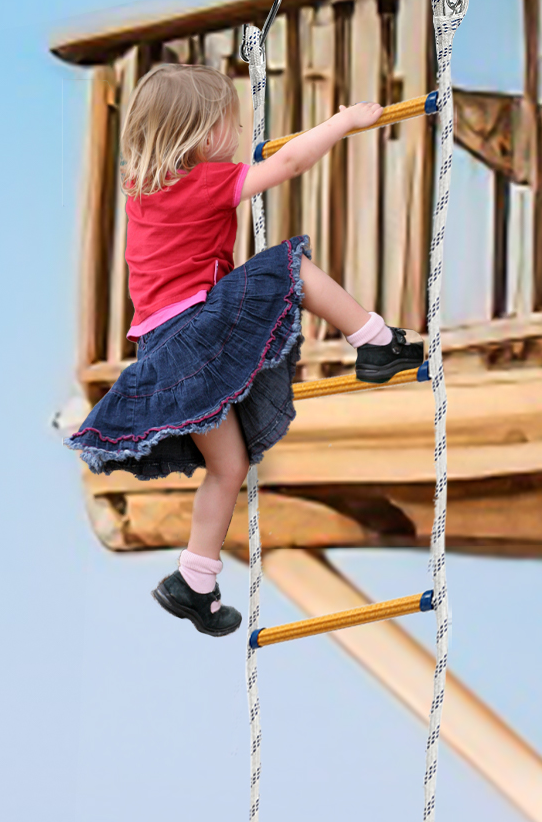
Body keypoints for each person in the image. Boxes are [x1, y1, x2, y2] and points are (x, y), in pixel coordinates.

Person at [65, 61, 425, 637]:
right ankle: (376, 343)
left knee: (227, 467)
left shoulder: (142, 191)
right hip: (196, 332)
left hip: (164, 348)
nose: (236, 138)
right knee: (291, 269)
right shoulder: (201, 183)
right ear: (202, 134)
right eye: (230, 126)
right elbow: (288, 163)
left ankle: (194, 582)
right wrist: (344, 122)